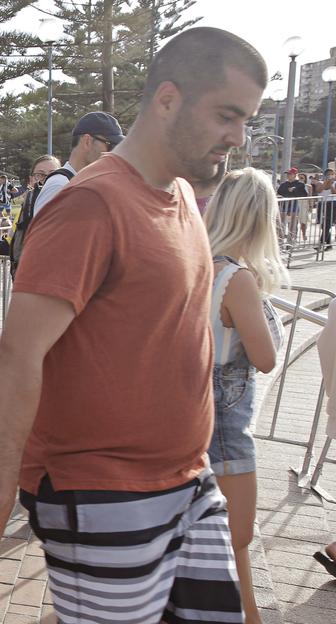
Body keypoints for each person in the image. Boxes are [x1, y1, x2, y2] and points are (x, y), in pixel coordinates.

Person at [0, 28, 267, 624]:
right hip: (103, 492)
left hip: (188, 481)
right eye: (228, 114)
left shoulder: (179, 195)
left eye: (246, 119)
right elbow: (20, 356)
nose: (239, 136)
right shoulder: (90, 203)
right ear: (168, 99)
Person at [202, 168, 285, 624]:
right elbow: (266, 357)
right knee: (237, 537)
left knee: (216, 541)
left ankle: (249, 616)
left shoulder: (193, 265)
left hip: (188, 417)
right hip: (227, 429)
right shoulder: (237, 279)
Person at [31, 112, 125, 219]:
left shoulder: (78, 184)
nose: (113, 152)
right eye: (110, 145)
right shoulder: (59, 186)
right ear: (87, 141)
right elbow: (44, 235)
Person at [277, 167, 307, 240]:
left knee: (292, 223)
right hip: (284, 205)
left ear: (294, 174)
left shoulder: (300, 184)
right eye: (287, 174)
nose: (288, 175)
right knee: (282, 222)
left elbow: (304, 194)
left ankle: (291, 239)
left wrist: (294, 190)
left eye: (290, 174)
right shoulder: (283, 184)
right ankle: (281, 238)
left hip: (294, 205)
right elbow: (279, 193)